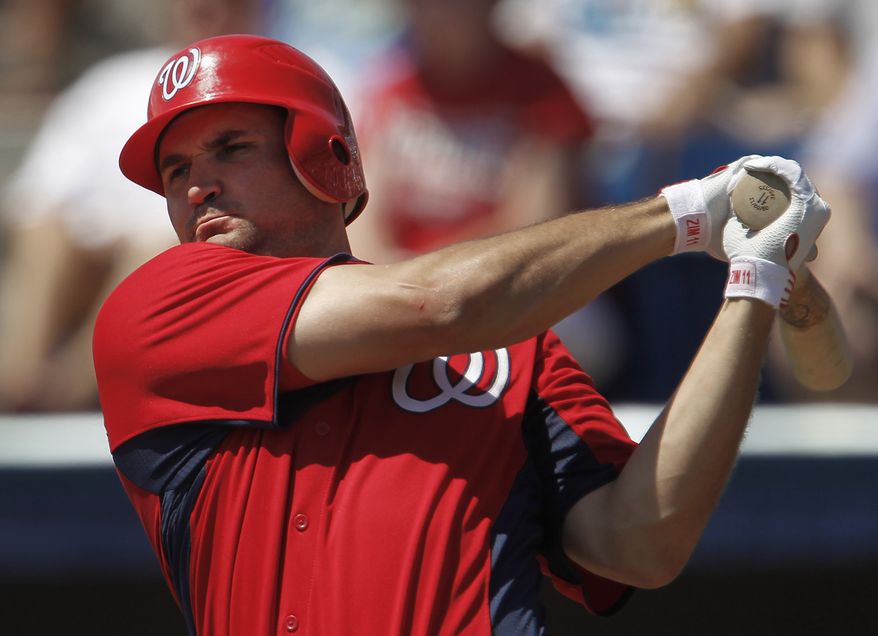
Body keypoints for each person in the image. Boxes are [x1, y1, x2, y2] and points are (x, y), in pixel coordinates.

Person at [92, 35, 830, 635]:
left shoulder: (513, 348)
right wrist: (692, 213)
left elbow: (638, 544)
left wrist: (752, 283)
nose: (197, 187)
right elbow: (436, 305)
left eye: (230, 148)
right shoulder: (156, 310)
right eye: (176, 169)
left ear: (328, 157)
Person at [0, 0, 266, 411]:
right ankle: (20, 380)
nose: (207, 7)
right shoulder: (111, 81)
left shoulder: (282, 74)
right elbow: (37, 199)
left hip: (200, 257)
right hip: (95, 256)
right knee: (47, 235)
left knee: (155, 246)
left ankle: (71, 394)